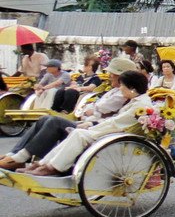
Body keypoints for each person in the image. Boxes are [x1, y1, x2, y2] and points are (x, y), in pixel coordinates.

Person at [0, 57, 137, 171]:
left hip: (94, 127)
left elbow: (101, 107)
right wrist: (92, 108)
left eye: (112, 74)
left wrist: (92, 109)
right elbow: (92, 106)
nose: (109, 76)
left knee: (54, 122)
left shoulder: (122, 93)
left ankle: (21, 158)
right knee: (44, 119)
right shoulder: (113, 90)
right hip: (87, 120)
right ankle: (15, 154)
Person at [20, 71, 152, 177]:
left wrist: (91, 126)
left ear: (132, 88)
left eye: (123, 85)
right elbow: (115, 120)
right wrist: (90, 123)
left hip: (117, 133)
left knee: (79, 134)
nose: (121, 88)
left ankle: (53, 167)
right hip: (112, 129)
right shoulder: (134, 101)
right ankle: (44, 164)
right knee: (77, 132)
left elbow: (115, 122)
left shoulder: (140, 104)